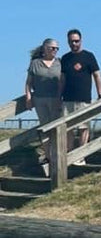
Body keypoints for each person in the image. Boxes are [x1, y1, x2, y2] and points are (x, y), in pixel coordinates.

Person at [59, 28, 101, 156]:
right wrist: (59, 96)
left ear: (81, 40)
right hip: (67, 99)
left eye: (76, 41)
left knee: (83, 127)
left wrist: (100, 94)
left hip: (84, 98)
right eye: (71, 41)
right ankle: (69, 154)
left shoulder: (89, 56)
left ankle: (81, 155)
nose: (74, 44)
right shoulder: (65, 58)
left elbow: (97, 75)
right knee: (68, 128)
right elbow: (62, 79)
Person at [25, 38, 62, 170]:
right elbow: (28, 83)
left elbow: (62, 81)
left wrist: (59, 97)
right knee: (44, 127)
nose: (55, 50)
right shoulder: (35, 63)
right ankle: (48, 155)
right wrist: (28, 98)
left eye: (57, 48)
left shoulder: (59, 62)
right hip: (40, 99)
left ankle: (57, 155)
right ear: (45, 48)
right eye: (52, 48)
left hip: (56, 99)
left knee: (56, 127)